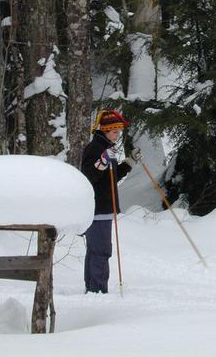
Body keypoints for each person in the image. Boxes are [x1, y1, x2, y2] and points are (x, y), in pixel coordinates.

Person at [81, 109, 142, 294]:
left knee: (95, 250)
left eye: (119, 131)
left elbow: (110, 177)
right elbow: (88, 177)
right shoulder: (95, 149)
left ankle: (93, 288)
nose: (118, 135)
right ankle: (98, 290)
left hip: (104, 207)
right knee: (101, 250)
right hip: (97, 208)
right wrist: (101, 163)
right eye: (115, 131)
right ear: (105, 130)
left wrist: (129, 162)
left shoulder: (106, 149)